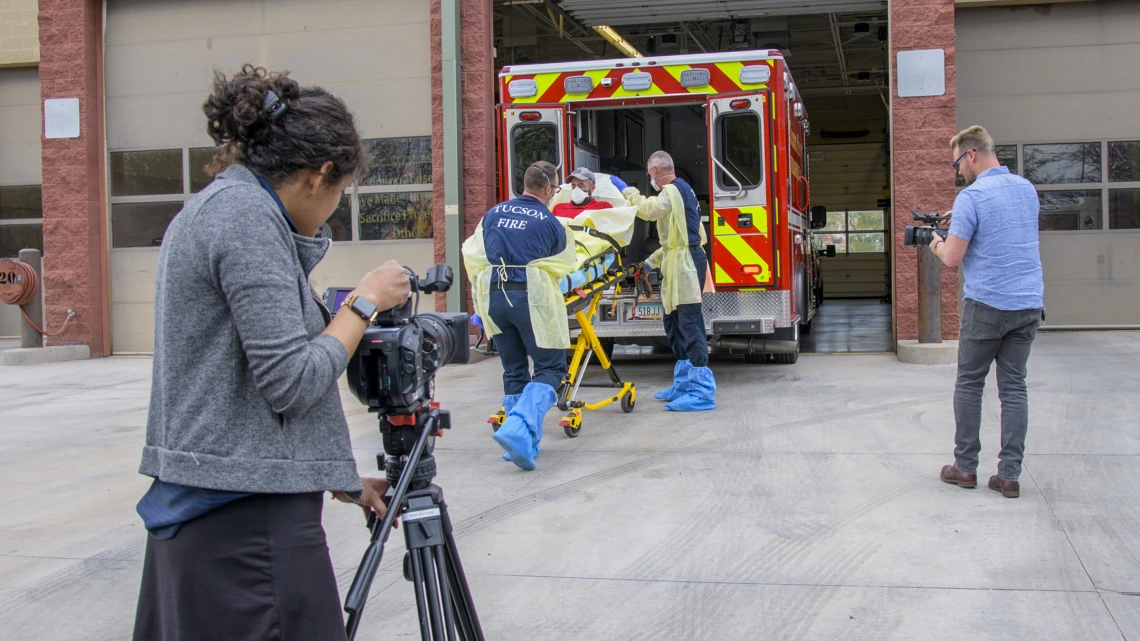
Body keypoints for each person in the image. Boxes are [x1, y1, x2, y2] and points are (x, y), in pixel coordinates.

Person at [132, 65, 413, 640]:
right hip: (241, 531)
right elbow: (289, 378)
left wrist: (337, 476)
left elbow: (234, 383)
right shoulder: (245, 221)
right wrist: (361, 305)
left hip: (225, 512)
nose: (334, 210)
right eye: (340, 193)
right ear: (320, 174)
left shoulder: (226, 208)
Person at [932, 125, 1045, 499]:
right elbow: (1007, 230)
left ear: (971, 155)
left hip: (987, 305)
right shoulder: (1026, 189)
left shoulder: (972, 196)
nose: (958, 172)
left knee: (969, 383)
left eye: (957, 164)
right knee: (1014, 388)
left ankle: (965, 468)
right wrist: (962, 216)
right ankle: (1009, 475)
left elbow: (952, 258)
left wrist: (935, 241)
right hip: (1028, 304)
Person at [463, 161, 577, 470]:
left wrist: (480, 304)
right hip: (529, 298)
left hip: (492, 297)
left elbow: (473, 254)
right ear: (548, 189)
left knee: (514, 369)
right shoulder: (550, 222)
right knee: (551, 368)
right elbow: (566, 263)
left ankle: (524, 442)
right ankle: (518, 426)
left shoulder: (492, 214)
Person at [621, 151, 715, 412]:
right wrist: (649, 263)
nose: (649, 177)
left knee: (689, 322)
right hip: (678, 261)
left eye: (649, 173)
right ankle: (684, 383)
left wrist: (628, 192)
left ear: (654, 170)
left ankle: (702, 393)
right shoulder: (682, 192)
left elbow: (650, 211)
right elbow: (674, 241)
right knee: (673, 322)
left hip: (686, 264)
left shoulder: (673, 191)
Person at [551, 166, 627, 219]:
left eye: (581, 185)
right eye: (573, 186)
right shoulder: (558, 208)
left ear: (592, 188)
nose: (576, 189)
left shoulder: (603, 208)